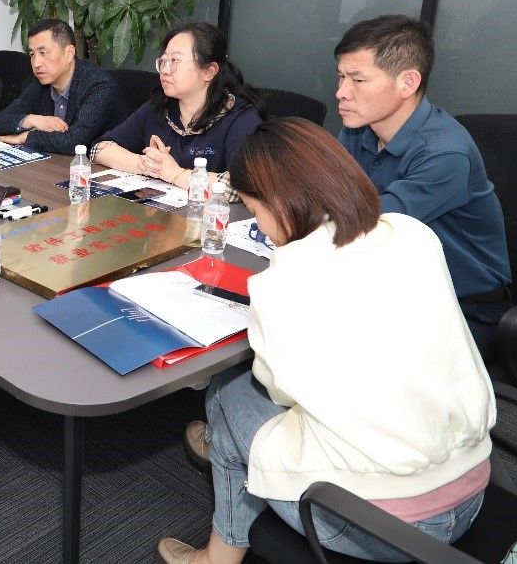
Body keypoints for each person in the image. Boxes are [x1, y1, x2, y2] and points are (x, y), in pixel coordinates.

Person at [157, 118, 495, 564]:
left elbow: (282, 392)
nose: (261, 225)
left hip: (381, 527)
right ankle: (224, 445)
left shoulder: (285, 281)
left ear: (280, 205)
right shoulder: (412, 233)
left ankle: (217, 554)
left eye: (256, 211)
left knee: (229, 390)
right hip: (473, 487)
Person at [335, 15, 511, 364]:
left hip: (462, 310)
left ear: (408, 83)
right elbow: (323, 194)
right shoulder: (358, 130)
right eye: (341, 77)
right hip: (392, 285)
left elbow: (363, 223)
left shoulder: (445, 154)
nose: (341, 92)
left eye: (358, 79)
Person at [92, 21, 262, 197]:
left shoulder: (240, 117)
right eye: (163, 61)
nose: (165, 70)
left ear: (209, 71)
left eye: (174, 61)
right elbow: (99, 149)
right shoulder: (159, 107)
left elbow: (247, 185)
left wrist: (176, 174)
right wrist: (145, 164)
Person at [0, 18, 127, 155]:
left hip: (99, 166)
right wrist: (31, 119)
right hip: (58, 163)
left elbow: (75, 142)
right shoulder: (41, 83)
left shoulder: (99, 86)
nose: (36, 63)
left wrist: (24, 138)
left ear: (69, 53)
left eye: (43, 53)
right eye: (32, 54)